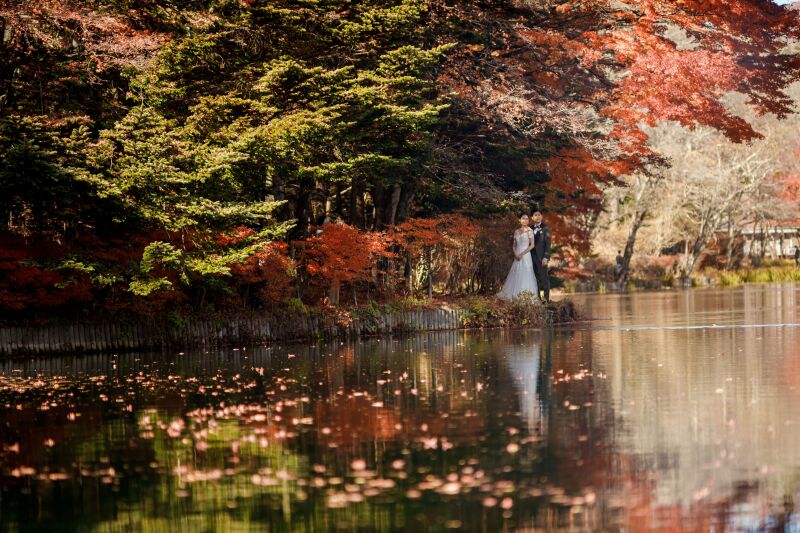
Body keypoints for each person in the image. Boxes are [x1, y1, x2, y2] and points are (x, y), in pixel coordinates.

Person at [497, 212, 539, 301]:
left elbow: (532, 245)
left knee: (525, 274)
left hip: (526, 256)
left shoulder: (530, 231)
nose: (525, 220)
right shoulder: (516, 231)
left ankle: (525, 297)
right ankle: (514, 295)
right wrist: (516, 254)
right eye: (523, 218)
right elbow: (514, 246)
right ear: (520, 220)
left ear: (528, 221)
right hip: (517, 256)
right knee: (516, 273)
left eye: (527, 219)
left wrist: (521, 254)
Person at [530, 207, 551, 302]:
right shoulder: (529, 229)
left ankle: (546, 299)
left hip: (541, 258)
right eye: (535, 215)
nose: (537, 217)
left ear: (542, 216)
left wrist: (546, 257)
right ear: (532, 217)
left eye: (539, 215)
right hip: (530, 257)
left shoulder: (546, 228)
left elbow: (548, 245)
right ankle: (538, 299)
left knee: (544, 279)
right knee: (535, 279)